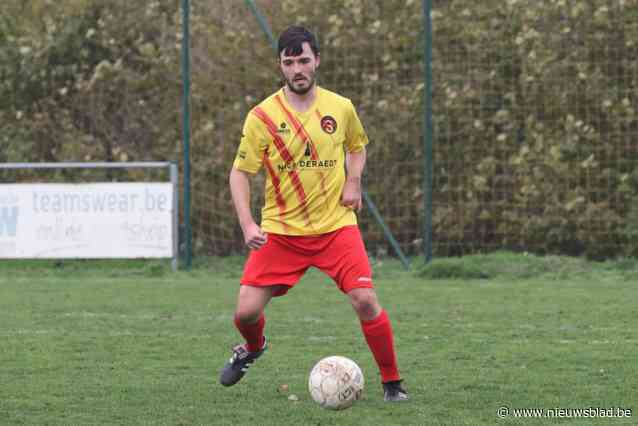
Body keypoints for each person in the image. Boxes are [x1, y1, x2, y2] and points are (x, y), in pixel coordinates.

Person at [219, 25, 408, 402]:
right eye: (289, 62)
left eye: (303, 60)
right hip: (281, 232)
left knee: (365, 300)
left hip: (335, 227)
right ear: (281, 67)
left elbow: (357, 147)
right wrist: (247, 224)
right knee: (245, 313)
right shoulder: (263, 116)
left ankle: (393, 384)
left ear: (317, 60)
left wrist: (353, 180)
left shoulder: (341, 107)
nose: (297, 69)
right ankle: (253, 347)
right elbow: (240, 172)